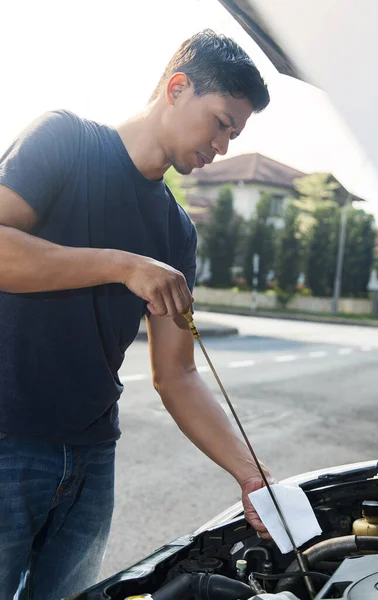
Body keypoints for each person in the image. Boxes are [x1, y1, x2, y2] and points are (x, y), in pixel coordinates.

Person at [0, 29, 273, 599]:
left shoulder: (177, 230)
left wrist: (252, 476)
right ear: (178, 87)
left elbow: (177, 375)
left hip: (92, 463)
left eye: (236, 134)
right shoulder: (64, 140)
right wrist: (122, 265)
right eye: (221, 122)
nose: (222, 146)